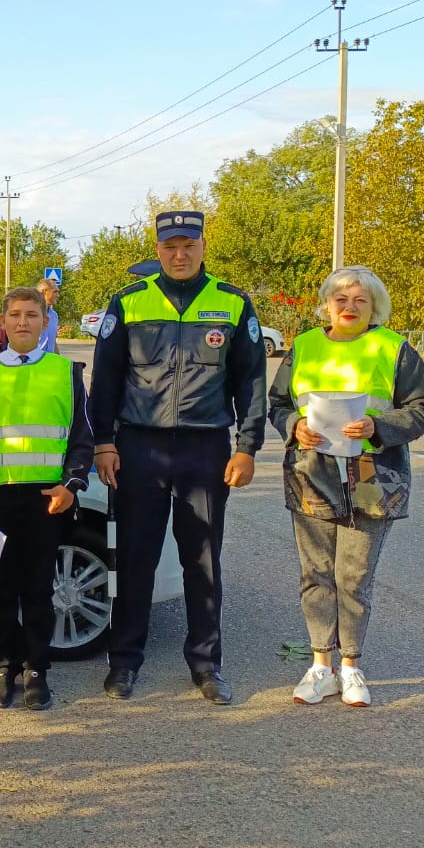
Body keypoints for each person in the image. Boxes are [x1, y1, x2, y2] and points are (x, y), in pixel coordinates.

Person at [88, 211, 266, 706]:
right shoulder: (128, 303)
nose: (180, 254)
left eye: (189, 245)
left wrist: (247, 446)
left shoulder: (232, 304)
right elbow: (105, 380)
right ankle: (124, 662)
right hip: (138, 449)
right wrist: (104, 442)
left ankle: (207, 665)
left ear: (204, 245)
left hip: (204, 449)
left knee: (203, 562)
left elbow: (251, 382)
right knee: (135, 560)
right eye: (170, 246)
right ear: (158, 248)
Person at [268, 266, 424, 707]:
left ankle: (351, 667)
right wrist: (293, 425)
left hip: (373, 479)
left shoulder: (394, 349)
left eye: (360, 300)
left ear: (374, 306)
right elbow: (279, 403)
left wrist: (379, 426)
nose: (349, 307)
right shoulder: (303, 346)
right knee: (317, 575)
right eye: (341, 299)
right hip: (311, 473)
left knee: (354, 577)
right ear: (327, 303)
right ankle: (320, 666)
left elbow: (423, 409)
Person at [0, 286, 94, 710]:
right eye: (14, 314)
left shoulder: (65, 373)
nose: (22, 322)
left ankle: (37, 669)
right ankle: (3, 667)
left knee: (37, 587)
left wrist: (71, 486)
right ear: (3, 322)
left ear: (45, 322)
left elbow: (81, 437)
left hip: (44, 499)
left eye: (32, 315)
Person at [36, 277, 62, 354]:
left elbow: (53, 342)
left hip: (49, 363)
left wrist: (58, 361)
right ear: (44, 292)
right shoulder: (31, 315)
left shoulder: (54, 316)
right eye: (55, 292)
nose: (58, 295)